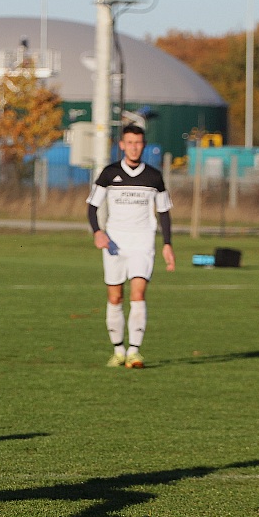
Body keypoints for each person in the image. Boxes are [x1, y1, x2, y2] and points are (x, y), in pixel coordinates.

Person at [86, 125, 175, 369]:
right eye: (129, 142)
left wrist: (167, 244)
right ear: (122, 145)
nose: (134, 147)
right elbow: (92, 206)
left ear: (143, 145)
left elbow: (164, 212)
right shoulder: (109, 173)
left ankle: (134, 352)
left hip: (143, 242)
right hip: (115, 243)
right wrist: (98, 232)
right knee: (115, 297)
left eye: (138, 142)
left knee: (138, 293)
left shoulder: (154, 177)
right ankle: (118, 350)